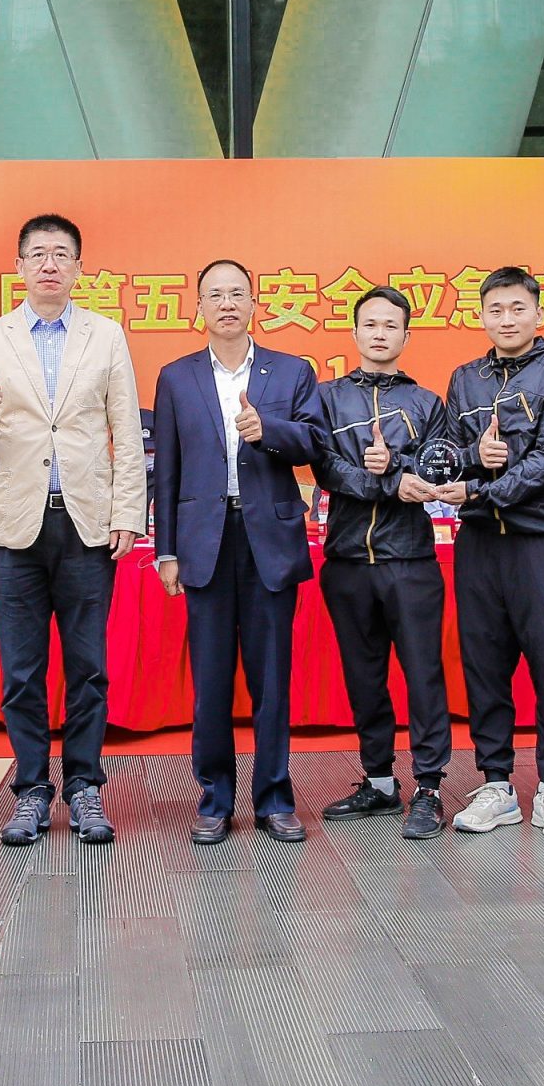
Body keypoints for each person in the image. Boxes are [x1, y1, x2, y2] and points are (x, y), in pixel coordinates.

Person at [0, 214, 145, 848]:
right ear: (19, 266)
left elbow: (125, 431)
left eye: (62, 254)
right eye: (37, 254)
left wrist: (127, 514)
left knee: (88, 666)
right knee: (22, 670)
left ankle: (85, 785)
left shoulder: (105, 335)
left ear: (79, 267)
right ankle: (32, 789)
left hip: (86, 521)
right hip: (14, 525)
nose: (49, 265)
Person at [153, 260, 325, 845]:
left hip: (268, 541)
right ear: (198, 308)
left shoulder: (291, 370)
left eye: (236, 294)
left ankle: (274, 799)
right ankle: (214, 799)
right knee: (211, 680)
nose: (226, 304)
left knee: (272, 678)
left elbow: (314, 442)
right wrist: (167, 550)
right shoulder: (177, 377)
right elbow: (167, 470)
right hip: (204, 541)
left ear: (255, 304)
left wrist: (267, 430)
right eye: (215, 295)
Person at [439, 267, 544, 838]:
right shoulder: (464, 378)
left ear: (538, 313)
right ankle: (497, 784)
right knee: (484, 666)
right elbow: (447, 452)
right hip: (479, 544)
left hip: (542, 541)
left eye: (517, 308)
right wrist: (470, 460)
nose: (506, 319)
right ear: (481, 316)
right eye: (495, 310)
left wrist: (480, 489)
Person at [312, 286, 453, 840]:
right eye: (369, 324)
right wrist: (382, 482)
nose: (379, 333)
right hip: (347, 559)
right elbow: (324, 465)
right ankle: (378, 780)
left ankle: (430, 787)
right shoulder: (326, 398)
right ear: (354, 332)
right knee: (363, 675)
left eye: (390, 325)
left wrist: (393, 468)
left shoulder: (427, 404)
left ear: (406, 336)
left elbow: (437, 468)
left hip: (410, 559)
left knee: (423, 674)